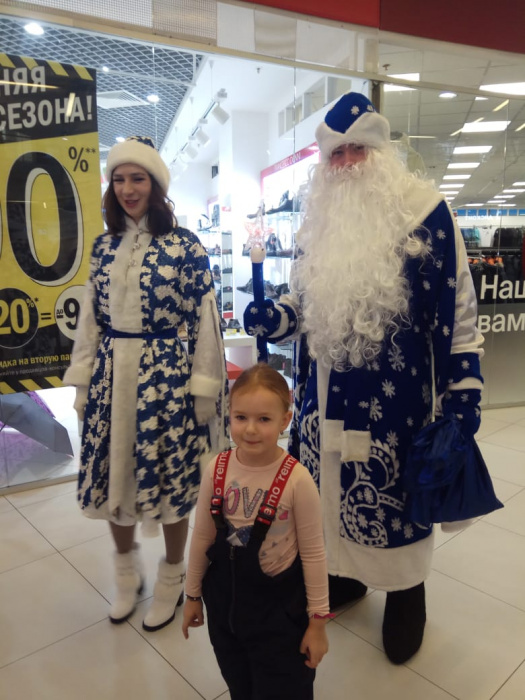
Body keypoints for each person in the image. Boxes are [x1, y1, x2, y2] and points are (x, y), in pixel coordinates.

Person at [243, 92, 484, 664]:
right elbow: (304, 303)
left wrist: (464, 397)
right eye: (337, 153)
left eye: (358, 150)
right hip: (323, 401)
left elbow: (460, 315)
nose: (348, 162)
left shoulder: (428, 214)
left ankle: (405, 589)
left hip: (397, 406)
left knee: (393, 501)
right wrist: (277, 317)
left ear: (380, 152)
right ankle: (344, 573)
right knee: (326, 498)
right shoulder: (318, 222)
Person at [64, 135, 228, 632]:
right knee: (115, 475)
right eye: (119, 179)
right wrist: (83, 381)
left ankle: (173, 578)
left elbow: (205, 320)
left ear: (155, 185)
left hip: (165, 377)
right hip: (111, 375)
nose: (128, 188)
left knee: (170, 479)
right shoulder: (103, 246)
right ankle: (126, 575)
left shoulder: (185, 246)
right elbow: (90, 319)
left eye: (138, 178)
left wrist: (204, 387)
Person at [182, 364, 331, 699]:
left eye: (264, 419)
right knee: (239, 685)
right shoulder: (216, 470)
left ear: (285, 420)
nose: (250, 429)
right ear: (229, 416)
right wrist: (192, 596)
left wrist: (318, 623)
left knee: (285, 688)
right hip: (225, 610)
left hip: (280, 614)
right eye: (240, 417)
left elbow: (313, 554)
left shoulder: (298, 480)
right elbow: (203, 537)